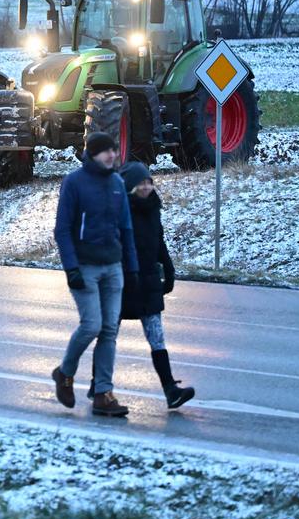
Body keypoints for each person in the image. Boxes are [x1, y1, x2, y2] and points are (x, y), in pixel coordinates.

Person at [51, 132, 138, 417]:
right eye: (105, 152)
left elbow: (126, 228)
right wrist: (71, 268)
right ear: (92, 154)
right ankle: (65, 373)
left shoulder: (117, 183)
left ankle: (103, 393)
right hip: (85, 267)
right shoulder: (74, 182)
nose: (112, 156)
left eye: (113, 150)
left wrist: (132, 267)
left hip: (113, 267)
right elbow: (62, 229)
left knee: (110, 329)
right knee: (92, 325)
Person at [115, 162, 195, 409]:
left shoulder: (152, 208)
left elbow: (159, 241)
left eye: (149, 182)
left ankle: (170, 390)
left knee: (157, 339)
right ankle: (99, 386)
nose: (147, 186)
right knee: (109, 336)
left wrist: (169, 270)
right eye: (142, 183)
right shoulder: (120, 211)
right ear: (131, 186)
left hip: (148, 281)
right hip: (122, 282)